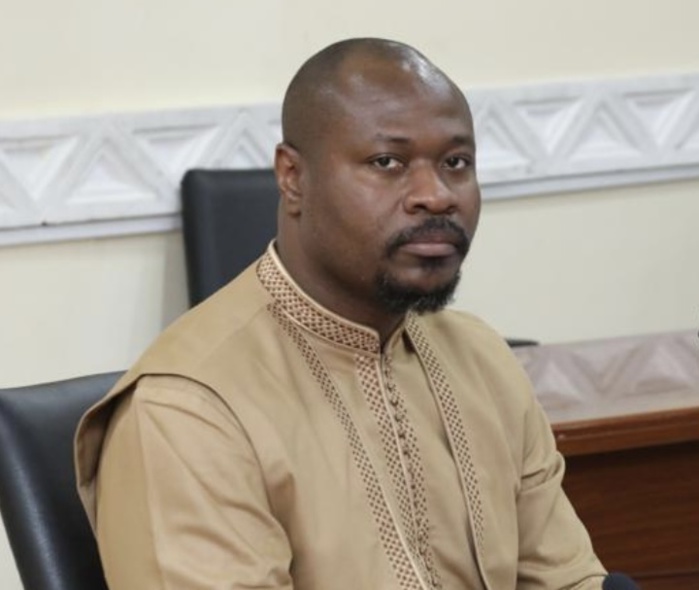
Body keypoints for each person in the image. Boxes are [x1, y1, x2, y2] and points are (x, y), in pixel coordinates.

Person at [75, 38, 607, 589]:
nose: (436, 195)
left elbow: (568, 581)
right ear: (292, 177)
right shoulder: (187, 411)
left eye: (456, 163)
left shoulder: (480, 358)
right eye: (387, 162)